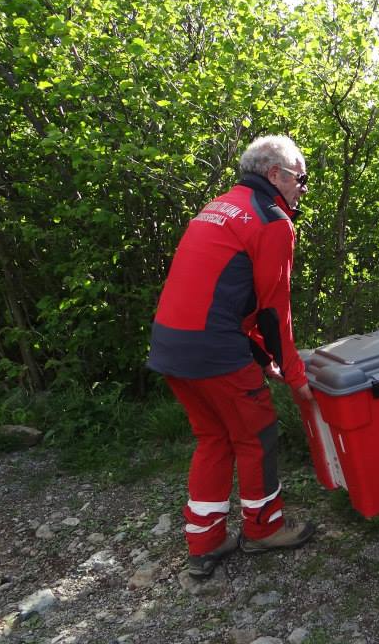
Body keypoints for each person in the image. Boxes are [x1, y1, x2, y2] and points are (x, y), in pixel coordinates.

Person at [148, 135, 316, 579]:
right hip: (214, 350)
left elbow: (219, 296)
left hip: (170, 344)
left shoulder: (218, 206)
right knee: (256, 434)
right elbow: (273, 309)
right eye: (301, 178)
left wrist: (262, 358)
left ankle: (204, 542)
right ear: (275, 176)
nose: (304, 187)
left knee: (214, 438)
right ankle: (264, 529)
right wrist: (295, 376)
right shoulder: (271, 220)